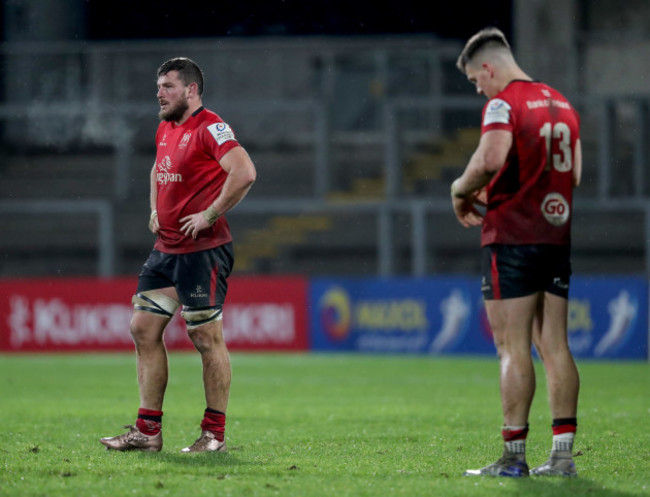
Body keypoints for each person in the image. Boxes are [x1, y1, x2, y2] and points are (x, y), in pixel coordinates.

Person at [100, 57, 256, 453]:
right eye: (159, 85)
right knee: (142, 328)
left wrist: (210, 213)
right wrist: (155, 208)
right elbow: (158, 170)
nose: (159, 92)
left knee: (205, 337)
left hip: (203, 252)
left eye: (168, 85)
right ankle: (148, 431)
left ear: (191, 90)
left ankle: (214, 436)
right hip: (166, 249)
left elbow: (244, 172)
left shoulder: (211, 127)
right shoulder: (166, 128)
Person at [450, 28, 581, 477]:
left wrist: (460, 189)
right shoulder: (563, 104)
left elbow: (490, 157)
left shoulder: (503, 103)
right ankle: (563, 457)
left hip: (511, 240)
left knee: (511, 346)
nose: (479, 89)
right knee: (555, 345)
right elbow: (574, 175)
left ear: (488, 67)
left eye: (474, 80)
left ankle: (513, 458)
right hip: (555, 237)